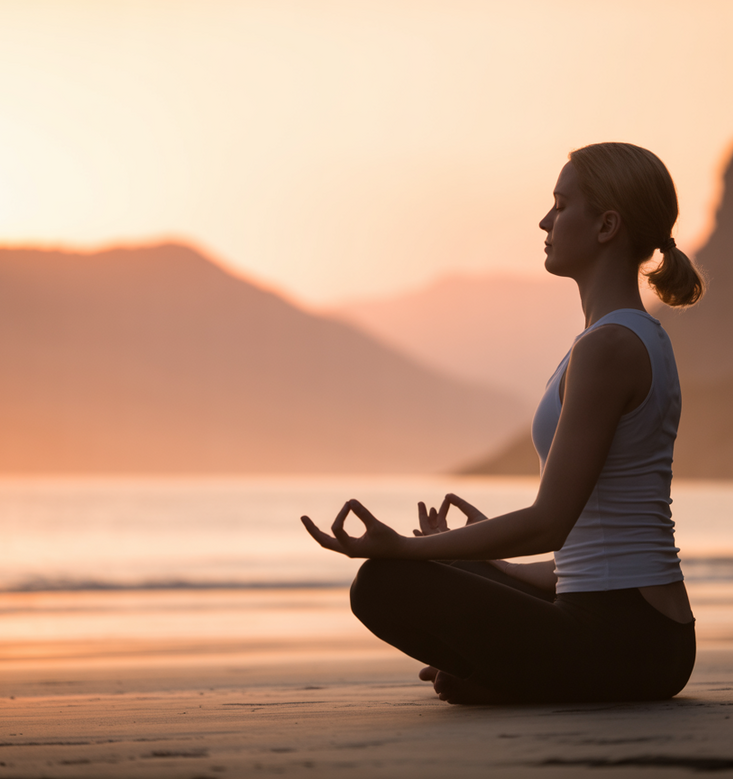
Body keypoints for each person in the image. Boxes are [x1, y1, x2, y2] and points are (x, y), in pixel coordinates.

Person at [301, 142, 704, 704]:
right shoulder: (617, 339)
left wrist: (403, 549)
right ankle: (495, 672)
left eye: (561, 206)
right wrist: (480, 558)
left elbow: (549, 523)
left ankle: (496, 677)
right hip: (621, 620)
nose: (545, 220)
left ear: (607, 224)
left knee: (383, 583)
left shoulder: (610, 347)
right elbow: (577, 564)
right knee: (445, 574)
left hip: (631, 640)